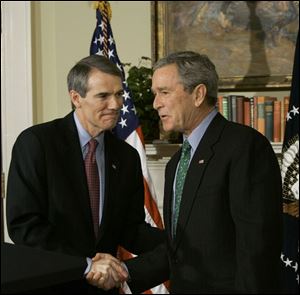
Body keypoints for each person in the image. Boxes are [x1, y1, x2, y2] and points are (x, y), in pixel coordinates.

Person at [118, 51, 282, 293]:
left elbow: (257, 248)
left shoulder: (244, 146)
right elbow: (180, 248)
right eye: (155, 94)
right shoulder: (176, 163)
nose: (156, 104)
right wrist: (124, 274)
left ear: (198, 94)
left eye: (164, 92)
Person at [6, 55, 164, 293]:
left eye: (119, 94)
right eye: (103, 96)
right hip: (52, 284)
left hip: (105, 288)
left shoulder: (126, 156)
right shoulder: (37, 143)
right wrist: (86, 265)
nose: (116, 104)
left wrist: (178, 242)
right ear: (76, 98)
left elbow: (130, 229)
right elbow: (25, 226)